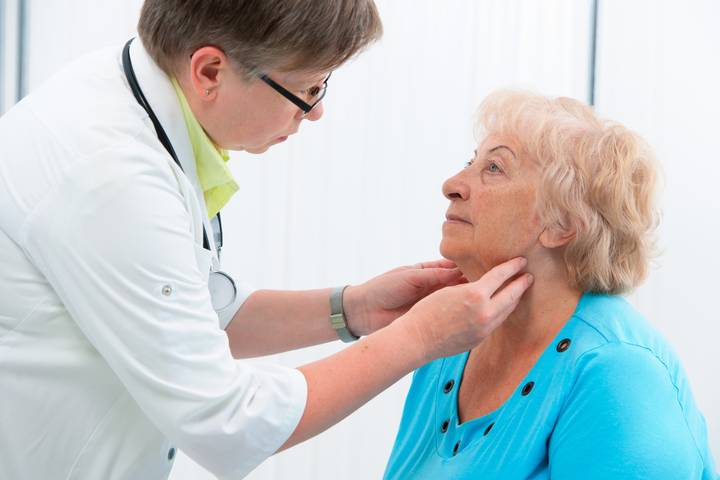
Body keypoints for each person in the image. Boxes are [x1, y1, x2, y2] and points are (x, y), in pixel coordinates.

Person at [0, 2, 536, 479]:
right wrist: (418, 338)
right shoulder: (108, 178)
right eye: (307, 89)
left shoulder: (132, 93)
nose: (316, 110)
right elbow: (225, 425)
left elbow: (202, 314)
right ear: (210, 70)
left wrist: (352, 310)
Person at [384, 90, 718, 479]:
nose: (452, 184)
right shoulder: (453, 335)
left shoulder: (619, 374)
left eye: (494, 168)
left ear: (562, 224)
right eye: (470, 162)